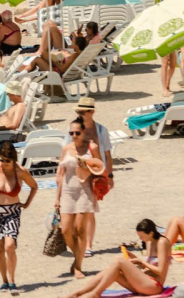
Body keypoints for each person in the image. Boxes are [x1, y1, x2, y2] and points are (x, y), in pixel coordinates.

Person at [62, 219, 172, 298]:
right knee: (111, 271)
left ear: (151, 233)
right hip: (144, 283)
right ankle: (78, 293)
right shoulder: (149, 242)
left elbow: (160, 271)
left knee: (119, 261)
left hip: (154, 286)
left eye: (142, 236)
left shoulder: (162, 242)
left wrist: (141, 261)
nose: (141, 239)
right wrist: (136, 260)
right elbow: (148, 267)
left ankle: (96, 293)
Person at [0, 141, 37, 295]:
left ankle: (12, 280)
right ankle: (4, 281)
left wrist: (27, 203)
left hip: (12, 212)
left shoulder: (21, 171)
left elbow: (34, 186)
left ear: (13, 159)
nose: (4, 163)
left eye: (7, 160)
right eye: (1, 159)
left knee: (9, 246)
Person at [56, 117, 104, 278]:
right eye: (71, 133)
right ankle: (78, 256)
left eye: (77, 133)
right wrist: (57, 197)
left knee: (80, 229)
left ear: (84, 132)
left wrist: (87, 165)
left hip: (85, 190)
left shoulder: (92, 147)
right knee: (65, 229)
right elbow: (60, 174)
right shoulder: (66, 149)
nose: (74, 136)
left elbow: (100, 168)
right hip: (68, 191)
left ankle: (78, 265)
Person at [71, 97, 114, 252]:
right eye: (78, 111)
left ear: (91, 112)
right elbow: (66, 151)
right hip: (76, 174)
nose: (79, 114)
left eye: (82, 112)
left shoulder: (101, 131)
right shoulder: (74, 129)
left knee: (89, 211)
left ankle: (88, 245)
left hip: (95, 175)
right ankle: (80, 242)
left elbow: (108, 155)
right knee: (76, 210)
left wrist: (109, 176)